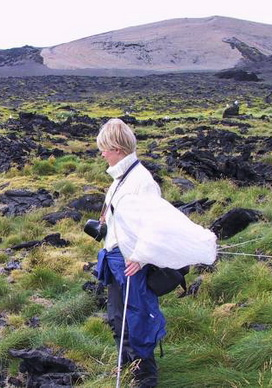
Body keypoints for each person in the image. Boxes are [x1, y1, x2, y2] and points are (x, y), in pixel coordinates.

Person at [94, 119, 165, 387]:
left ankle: (145, 377)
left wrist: (140, 255)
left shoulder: (142, 181)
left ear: (118, 148)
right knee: (116, 317)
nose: (101, 153)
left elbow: (155, 224)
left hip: (131, 263)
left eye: (105, 148)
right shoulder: (121, 178)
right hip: (114, 260)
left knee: (137, 318)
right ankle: (127, 365)